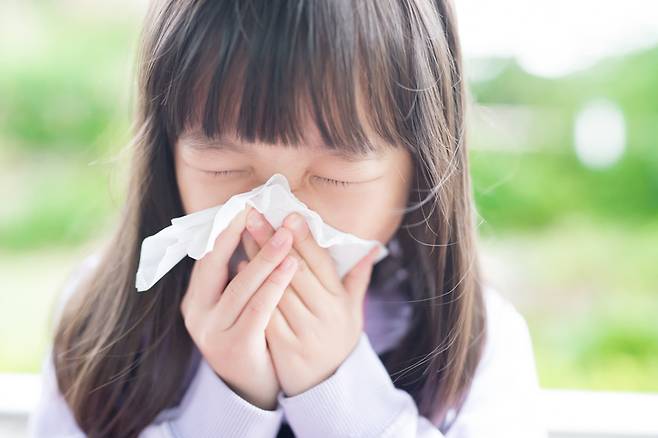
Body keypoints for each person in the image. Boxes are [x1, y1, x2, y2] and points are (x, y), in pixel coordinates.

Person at [28, 0, 547, 436]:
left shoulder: (479, 346)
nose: (278, 217)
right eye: (223, 165)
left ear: (422, 166)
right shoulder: (101, 330)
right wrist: (231, 401)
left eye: (337, 175)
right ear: (169, 157)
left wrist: (336, 392)